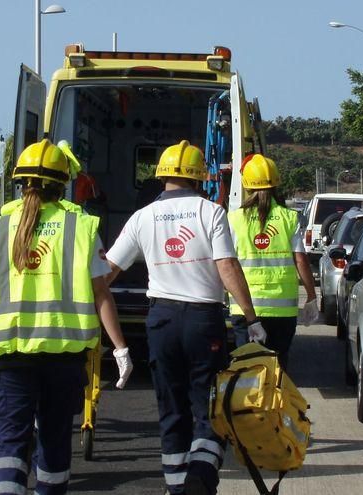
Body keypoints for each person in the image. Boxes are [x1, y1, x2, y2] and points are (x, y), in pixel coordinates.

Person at [0, 139, 133, 495]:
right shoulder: (80, 227)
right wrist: (121, 348)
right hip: (63, 356)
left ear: (21, 182)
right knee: (53, 442)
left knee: (9, 445)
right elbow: (100, 293)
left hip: (9, 355)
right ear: (63, 183)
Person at [104, 140, 266, 495]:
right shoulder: (211, 212)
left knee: (171, 410)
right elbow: (226, 266)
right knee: (209, 407)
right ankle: (201, 478)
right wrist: (251, 318)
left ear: (161, 177)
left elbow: (107, 273)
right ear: (199, 178)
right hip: (202, 321)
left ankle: (176, 487)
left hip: (160, 321)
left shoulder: (141, 217)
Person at [227, 154, 318, 371]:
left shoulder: (233, 219)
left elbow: (226, 263)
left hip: (245, 309)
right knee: (277, 370)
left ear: (246, 185)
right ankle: (275, 405)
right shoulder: (289, 218)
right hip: (282, 313)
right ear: (276, 182)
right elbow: (300, 260)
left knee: (247, 371)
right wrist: (312, 297)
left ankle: (250, 406)